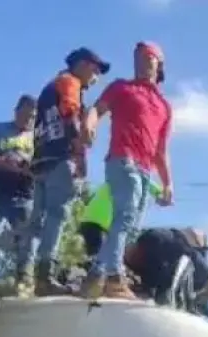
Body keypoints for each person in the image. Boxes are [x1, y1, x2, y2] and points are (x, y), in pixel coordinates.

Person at [81, 41, 173, 299]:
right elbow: (97, 109)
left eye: (148, 58)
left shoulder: (164, 107)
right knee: (125, 215)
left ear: (158, 64)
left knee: (131, 227)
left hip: (146, 170)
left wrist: (167, 183)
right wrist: (90, 124)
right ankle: (113, 278)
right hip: (122, 160)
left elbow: (161, 151)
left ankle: (95, 275)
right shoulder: (122, 88)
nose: (142, 62)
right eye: (138, 58)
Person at [31, 47, 110, 296]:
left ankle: (29, 274)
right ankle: (46, 277)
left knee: (40, 221)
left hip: (42, 160)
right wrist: (80, 142)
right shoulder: (69, 82)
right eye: (95, 69)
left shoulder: (50, 87)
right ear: (83, 65)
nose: (96, 76)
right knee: (57, 215)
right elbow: (70, 111)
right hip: (60, 158)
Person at [0, 95, 37, 290]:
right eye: (25, 114)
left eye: (32, 116)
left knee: (27, 235)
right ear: (16, 111)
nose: (28, 119)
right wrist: (2, 162)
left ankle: (24, 278)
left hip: (25, 192)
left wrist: (29, 167)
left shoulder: (38, 137)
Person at [77, 178, 164, 258]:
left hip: (87, 221)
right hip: (100, 225)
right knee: (102, 256)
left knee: (94, 254)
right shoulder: (128, 179)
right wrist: (159, 193)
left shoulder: (110, 180)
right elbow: (146, 181)